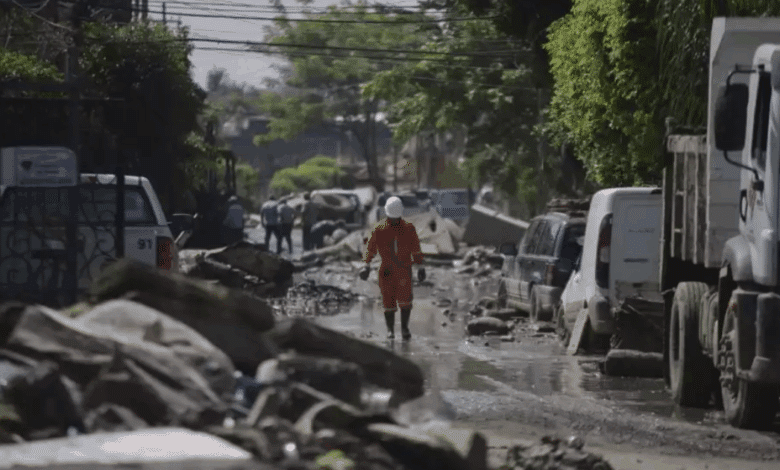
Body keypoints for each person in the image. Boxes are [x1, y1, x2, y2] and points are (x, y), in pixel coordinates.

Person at [359, 196, 426, 341]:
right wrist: (366, 266)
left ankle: (404, 329)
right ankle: (391, 330)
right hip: (391, 271)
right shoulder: (382, 228)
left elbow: (416, 249)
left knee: (405, 302)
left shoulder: (407, 228)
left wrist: (421, 267)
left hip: (400, 271)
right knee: (389, 302)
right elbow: (370, 249)